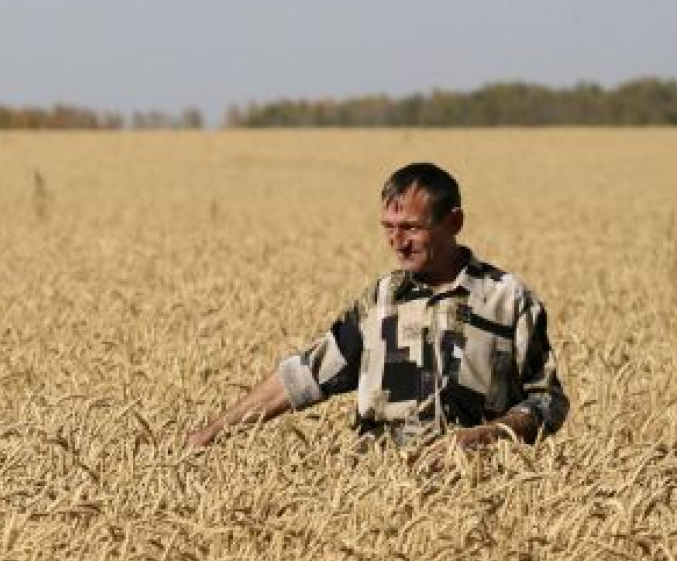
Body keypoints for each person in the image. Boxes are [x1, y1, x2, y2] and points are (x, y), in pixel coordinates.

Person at [187, 162, 568, 452]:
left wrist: (481, 439)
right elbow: (305, 376)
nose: (397, 242)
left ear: (454, 222)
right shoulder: (380, 301)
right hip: (381, 495)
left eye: (411, 228)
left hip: (479, 495)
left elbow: (547, 401)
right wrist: (208, 435)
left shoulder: (507, 299)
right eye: (388, 227)